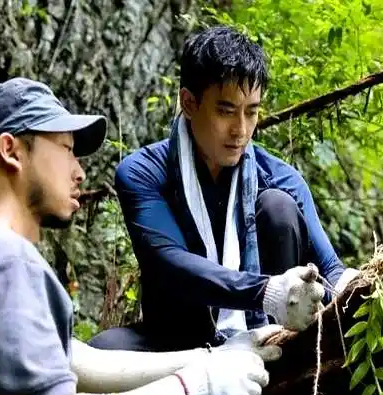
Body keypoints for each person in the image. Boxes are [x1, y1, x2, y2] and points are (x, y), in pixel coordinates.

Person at [0, 77, 284, 395]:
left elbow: (75, 360)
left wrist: (211, 358)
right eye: (67, 149)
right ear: (11, 151)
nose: (79, 172)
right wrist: (193, 390)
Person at [88, 25, 359, 353]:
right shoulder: (143, 173)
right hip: (177, 339)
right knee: (103, 348)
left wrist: (365, 287)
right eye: (226, 111)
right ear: (189, 103)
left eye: (252, 112)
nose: (241, 130)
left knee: (279, 207)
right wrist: (265, 292)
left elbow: (332, 271)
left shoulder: (280, 178)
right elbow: (171, 265)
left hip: (270, 336)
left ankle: (282, 353)